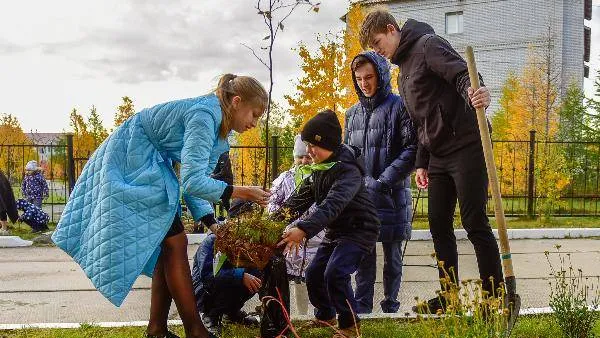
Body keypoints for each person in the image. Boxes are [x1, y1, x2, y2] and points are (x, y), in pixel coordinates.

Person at [52, 74, 272, 338]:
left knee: (169, 244)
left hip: (149, 159)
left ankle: (157, 330)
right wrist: (241, 192)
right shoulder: (205, 117)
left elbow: (192, 180)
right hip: (134, 155)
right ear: (237, 102)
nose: (254, 123)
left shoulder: (216, 127)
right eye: (254, 114)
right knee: (175, 242)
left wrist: (212, 223)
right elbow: (191, 182)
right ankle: (194, 331)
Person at [360, 10, 503, 313]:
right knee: (438, 223)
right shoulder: (402, 73)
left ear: (391, 29)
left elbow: (462, 73)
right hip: (438, 155)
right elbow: (418, 122)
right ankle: (448, 297)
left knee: (474, 220)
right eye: (372, 47)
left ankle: (495, 297)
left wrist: (476, 93)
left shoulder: (427, 45)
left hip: (467, 145)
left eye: (377, 42)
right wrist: (422, 162)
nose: (377, 51)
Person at [276, 110, 379, 338]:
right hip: (337, 230)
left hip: (359, 229)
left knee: (335, 273)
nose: (308, 151)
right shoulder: (321, 168)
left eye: (314, 145)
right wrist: (274, 222)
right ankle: (326, 316)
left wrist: (303, 229)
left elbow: (333, 205)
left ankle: (350, 324)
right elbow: (300, 199)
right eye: (307, 145)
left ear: (330, 144)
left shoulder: (348, 170)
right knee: (313, 273)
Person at [344, 51, 417, 313]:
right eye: (359, 78)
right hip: (362, 197)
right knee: (363, 255)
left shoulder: (399, 106)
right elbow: (347, 155)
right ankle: (362, 308)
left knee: (393, 257)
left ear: (381, 76)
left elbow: (411, 149)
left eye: (370, 77)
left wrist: (382, 181)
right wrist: (361, 183)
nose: (364, 83)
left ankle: (390, 307)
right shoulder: (351, 114)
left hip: (392, 195)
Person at [267, 134, 325, 315]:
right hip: (292, 241)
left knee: (316, 280)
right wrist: (285, 223)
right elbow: (272, 204)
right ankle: (299, 315)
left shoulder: (321, 178)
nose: (303, 161)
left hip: (316, 239)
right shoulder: (285, 179)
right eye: (299, 157)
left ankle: (320, 313)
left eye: (307, 157)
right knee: (295, 281)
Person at [191, 234, 260, 337]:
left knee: (257, 273)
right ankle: (211, 316)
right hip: (205, 289)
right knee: (232, 279)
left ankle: (231, 313)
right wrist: (240, 276)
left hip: (226, 282)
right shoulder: (212, 242)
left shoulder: (249, 242)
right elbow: (207, 277)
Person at [0, 169, 18, 236]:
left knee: (1, 208)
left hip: (3, 196)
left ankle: (4, 228)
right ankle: (3, 227)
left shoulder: (1, 177)